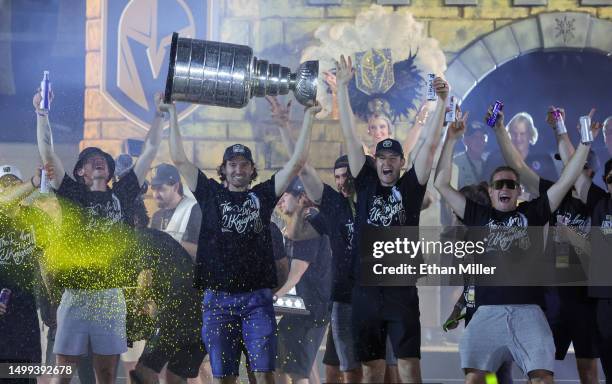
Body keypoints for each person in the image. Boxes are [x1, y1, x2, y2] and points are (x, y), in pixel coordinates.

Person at [162, 95, 320, 383]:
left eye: (243, 164)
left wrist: (307, 117)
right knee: (224, 379)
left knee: (264, 376)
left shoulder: (262, 195)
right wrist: (171, 114)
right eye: (232, 164)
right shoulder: (210, 194)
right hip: (217, 302)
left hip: (256, 301)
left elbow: (297, 163)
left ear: (251, 170)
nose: (237, 169)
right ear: (223, 169)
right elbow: (179, 159)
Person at [434, 105, 594, 383]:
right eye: (499, 185)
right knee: (475, 379)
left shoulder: (533, 213)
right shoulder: (477, 214)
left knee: (543, 379)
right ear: (490, 191)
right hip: (486, 312)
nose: (505, 188)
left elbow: (568, 177)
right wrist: (450, 140)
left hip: (528, 311)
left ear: (519, 190)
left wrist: (585, 140)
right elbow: (441, 184)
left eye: (510, 184)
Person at [35, 90, 164, 384]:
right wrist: (42, 114)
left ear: (108, 171)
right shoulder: (71, 193)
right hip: (76, 296)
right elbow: (47, 153)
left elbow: (150, 150)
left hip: (110, 296)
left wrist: (159, 114)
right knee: (63, 373)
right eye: (90, 160)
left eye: (102, 160)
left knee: (105, 374)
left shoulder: (123, 192)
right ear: (80, 171)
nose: (98, 162)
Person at [335, 54, 448, 383]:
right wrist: (342, 88)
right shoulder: (365, 181)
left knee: (409, 365)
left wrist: (441, 104)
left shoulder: (411, 188)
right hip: (366, 291)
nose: (385, 163)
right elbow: (348, 135)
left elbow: (428, 148)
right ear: (375, 160)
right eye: (380, 157)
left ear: (400, 162)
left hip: (400, 290)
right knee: (372, 369)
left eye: (392, 158)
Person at [274, 178, 332, 384]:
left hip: (311, 308)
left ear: (301, 197)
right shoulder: (295, 225)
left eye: (285, 196)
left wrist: (274, 297)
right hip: (303, 307)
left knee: (297, 370)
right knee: (293, 362)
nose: (279, 201)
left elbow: (296, 274)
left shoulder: (310, 219)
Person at [0, 165, 47, 384]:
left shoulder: (33, 217)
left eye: (13, 183)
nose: (8, 188)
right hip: (2, 307)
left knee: (25, 375)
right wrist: (34, 182)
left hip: (26, 309)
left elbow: (46, 257)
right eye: (3, 184)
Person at [484, 111, 558, 199]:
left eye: (522, 134)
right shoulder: (494, 159)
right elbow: (485, 188)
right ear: (508, 134)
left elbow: (554, 191)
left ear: (530, 134)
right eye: (514, 133)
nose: (518, 138)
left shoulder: (544, 159)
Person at [150, 163, 201, 260]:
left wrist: (171, 242)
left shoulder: (194, 210)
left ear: (176, 187)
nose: (156, 195)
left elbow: (207, 250)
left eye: (161, 188)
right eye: (153, 189)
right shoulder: (156, 216)